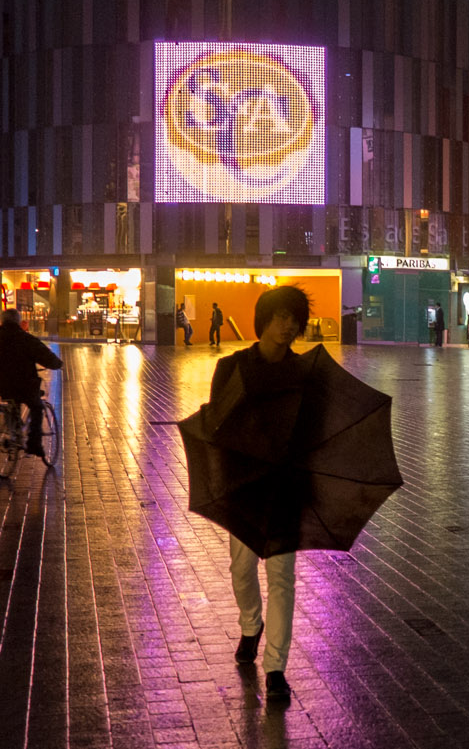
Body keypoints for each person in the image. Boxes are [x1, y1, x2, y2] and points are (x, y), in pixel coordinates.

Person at [215, 285, 312, 704]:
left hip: (286, 488)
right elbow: (218, 425)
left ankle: (275, 667)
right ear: (263, 320)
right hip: (245, 485)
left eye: (293, 317)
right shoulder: (232, 367)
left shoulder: (306, 373)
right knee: (241, 569)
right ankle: (250, 625)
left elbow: (314, 431)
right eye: (279, 316)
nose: (286, 325)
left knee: (282, 578)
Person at [0, 308, 64, 456]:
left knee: (12, 401)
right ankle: (34, 444)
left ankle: (13, 431)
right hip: (23, 383)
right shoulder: (24, 338)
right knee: (36, 407)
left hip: (1, 383)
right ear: (18, 321)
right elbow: (43, 354)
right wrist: (57, 364)